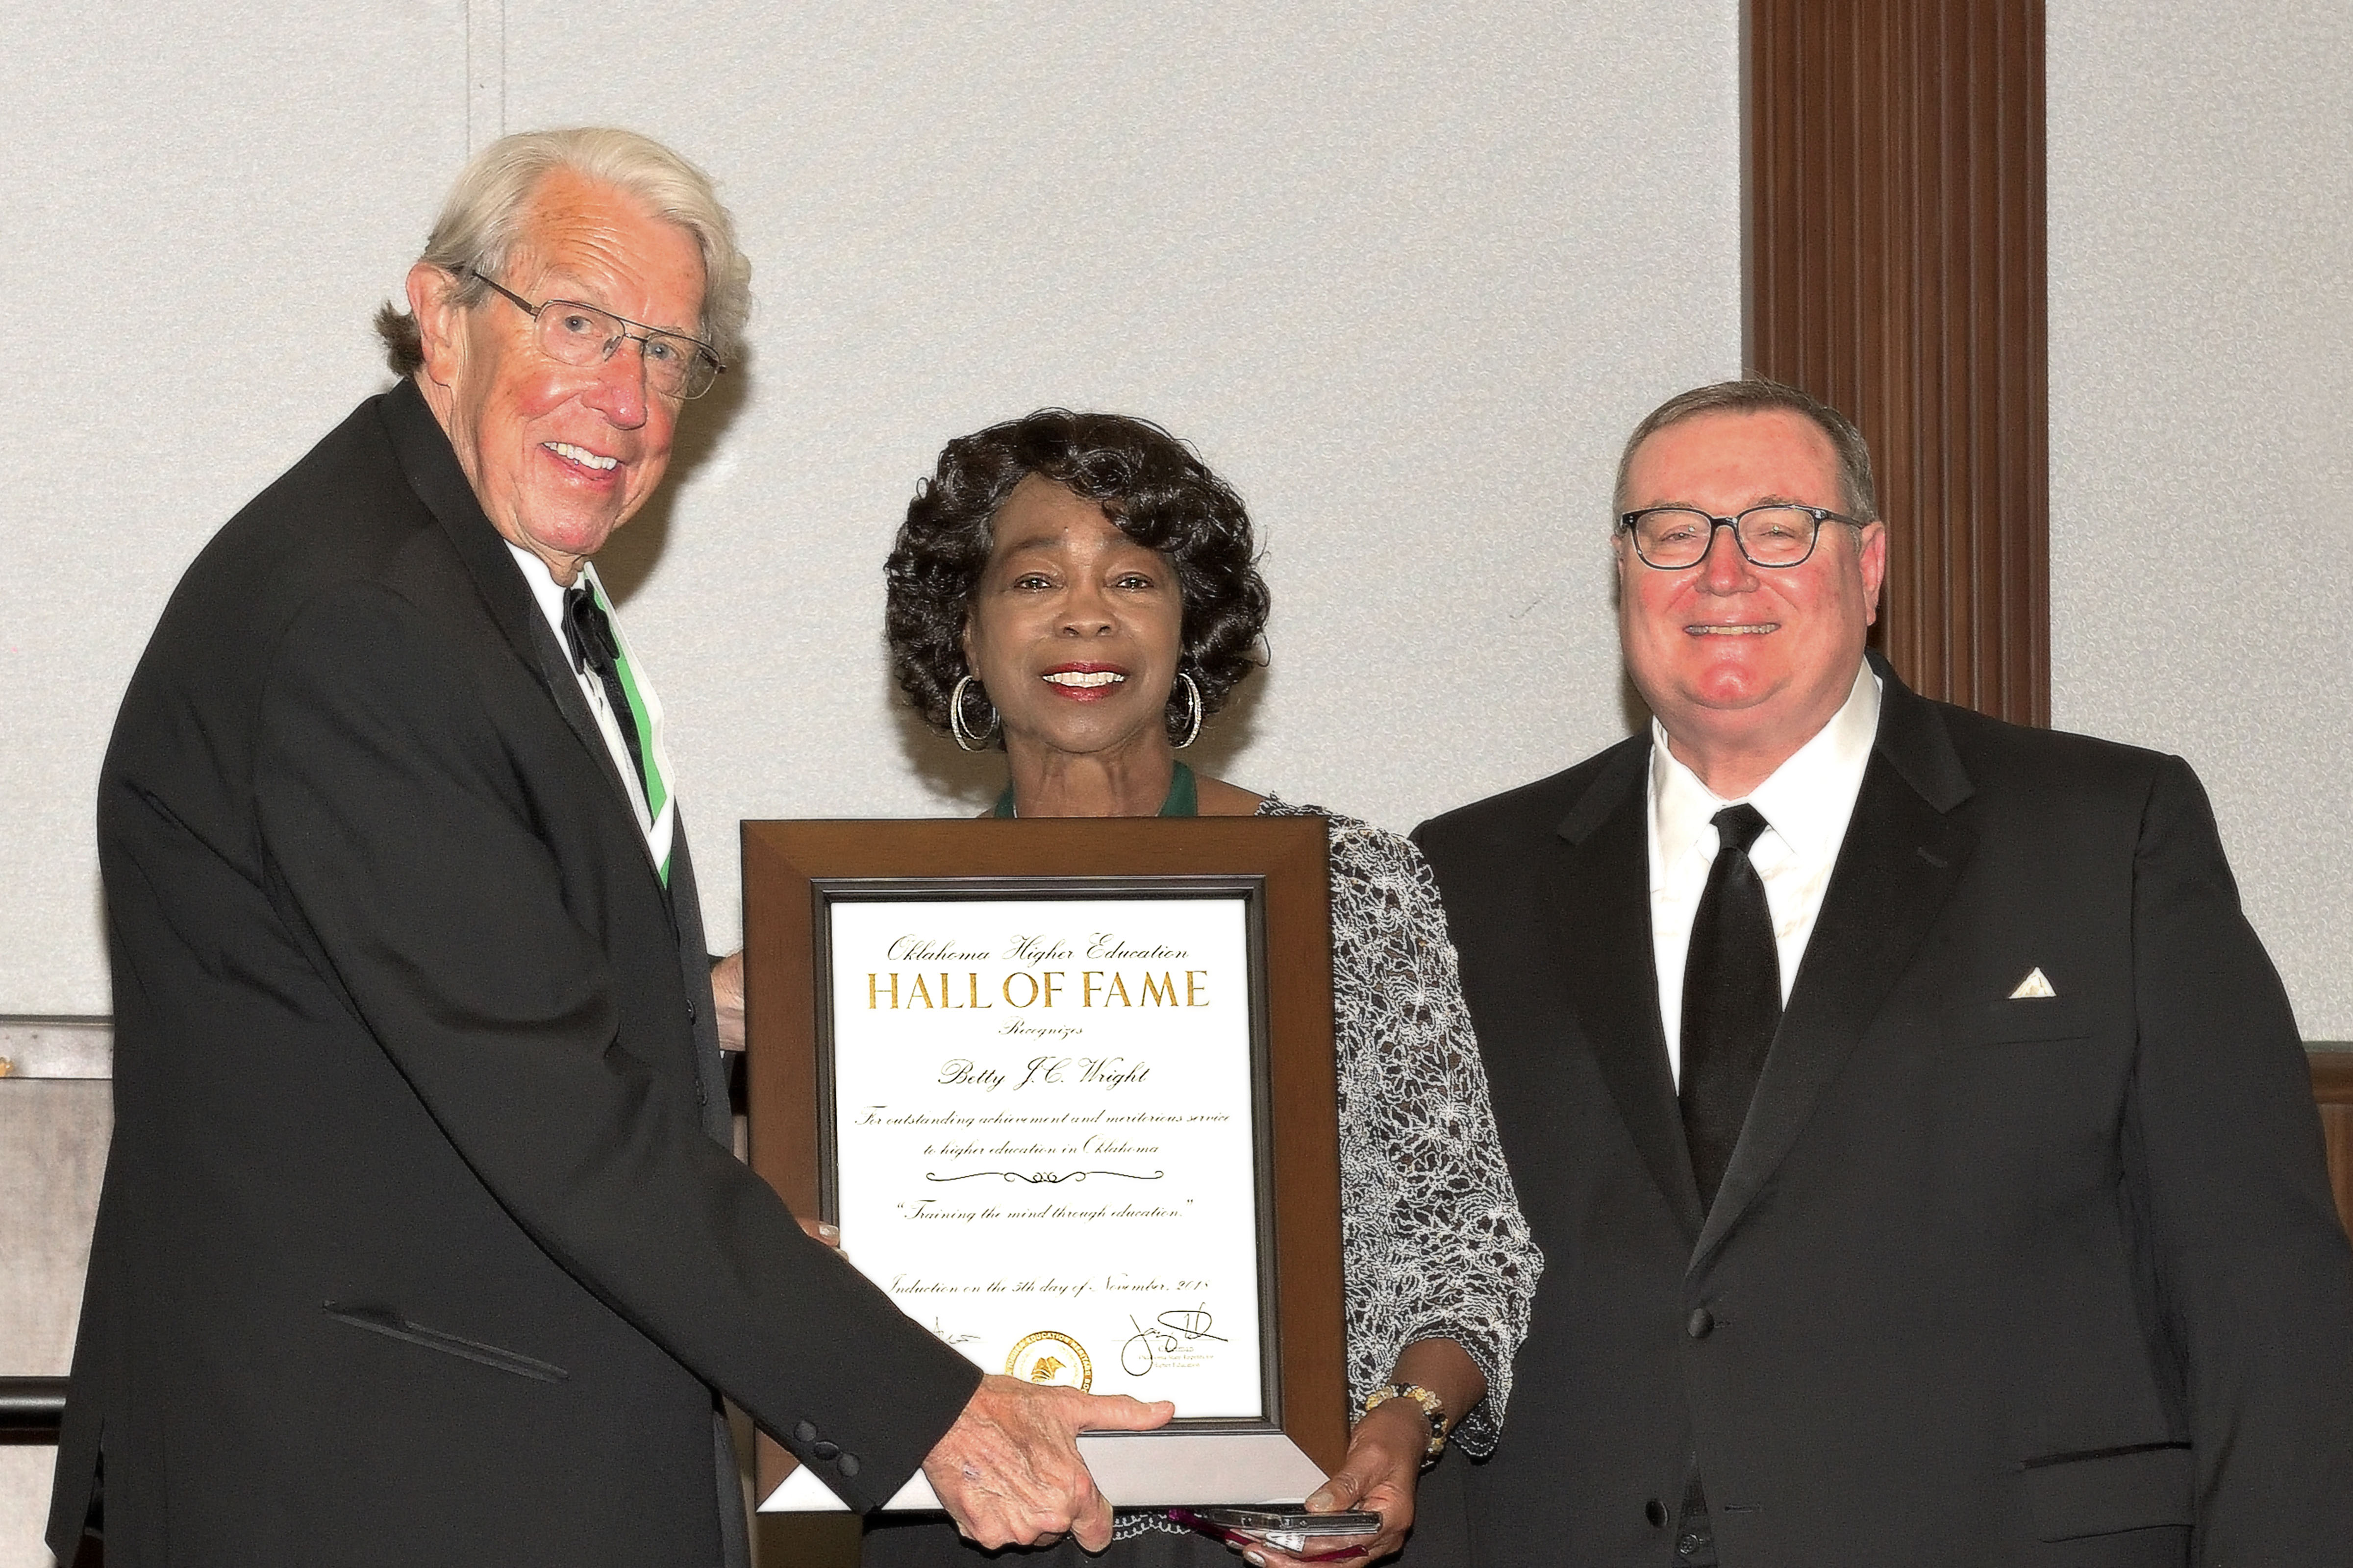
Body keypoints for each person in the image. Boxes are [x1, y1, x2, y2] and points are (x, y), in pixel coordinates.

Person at [49, 129, 1168, 1568]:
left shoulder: (463, 577)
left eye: (666, 354)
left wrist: (706, 996)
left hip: (447, 1450)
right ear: (441, 319)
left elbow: (427, 978)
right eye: (578, 325)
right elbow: (554, 1111)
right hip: (388, 1483)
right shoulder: (368, 624)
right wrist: (930, 1407)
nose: (626, 400)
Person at [1411, 379, 2353, 1566]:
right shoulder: (1461, 878)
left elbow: (2263, 1296)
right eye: (1671, 532)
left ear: (1870, 569)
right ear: (1622, 574)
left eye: (1779, 527)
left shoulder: (2106, 835)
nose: (1721, 572)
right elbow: (1424, 1283)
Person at [864, 409, 1540, 1568]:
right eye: (1036, 577)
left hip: (1292, 1529)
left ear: (1189, 630)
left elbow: (1466, 1239)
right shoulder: (875, 937)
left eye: (1134, 576)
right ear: (967, 636)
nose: (1087, 612)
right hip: (982, 1532)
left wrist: (1405, 1420)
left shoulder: (1353, 885)